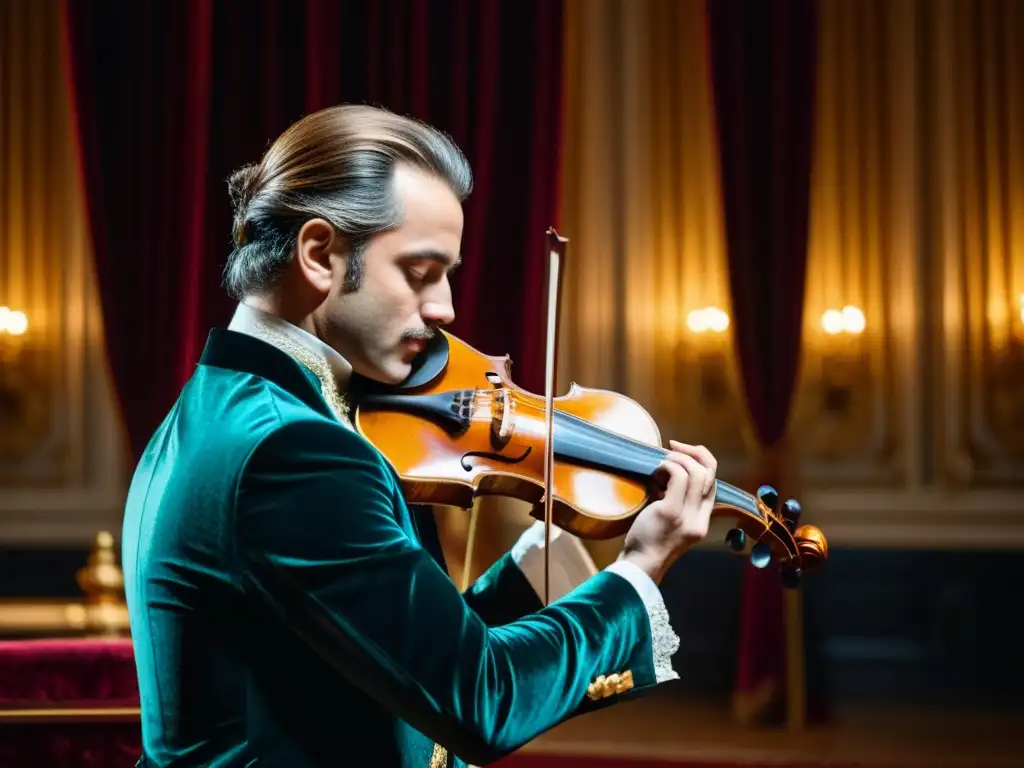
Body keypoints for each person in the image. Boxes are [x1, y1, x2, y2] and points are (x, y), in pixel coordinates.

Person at [122, 104, 719, 768]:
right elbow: (480, 699)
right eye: (420, 271)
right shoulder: (293, 452)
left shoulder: (220, 404)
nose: (445, 309)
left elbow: (398, 652)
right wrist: (639, 572)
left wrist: (552, 556)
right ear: (320, 254)